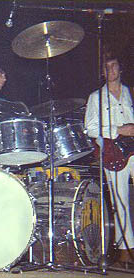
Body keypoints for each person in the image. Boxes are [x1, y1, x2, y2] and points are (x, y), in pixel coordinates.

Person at [85, 51, 134, 263]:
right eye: (107, 67)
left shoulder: (130, 92)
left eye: (114, 66)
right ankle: (126, 250)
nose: (111, 70)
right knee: (120, 200)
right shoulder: (96, 98)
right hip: (113, 152)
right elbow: (91, 128)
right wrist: (118, 129)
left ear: (121, 69)